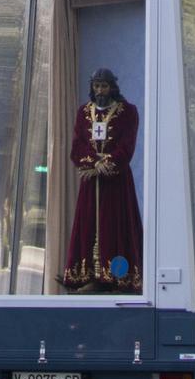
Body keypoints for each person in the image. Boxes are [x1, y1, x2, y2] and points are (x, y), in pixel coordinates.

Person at [60, 68, 143, 292]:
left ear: (112, 87)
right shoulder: (83, 112)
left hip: (116, 182)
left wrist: (107, 164)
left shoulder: (128, 112)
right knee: (89, 223)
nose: (100, 90)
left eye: (104, 86)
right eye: (96, 86)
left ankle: (116, 278)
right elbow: (77, 146)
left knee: (114, 223)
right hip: (91, 180)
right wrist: (93, 163)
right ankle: (87, 276)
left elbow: (127, 146)